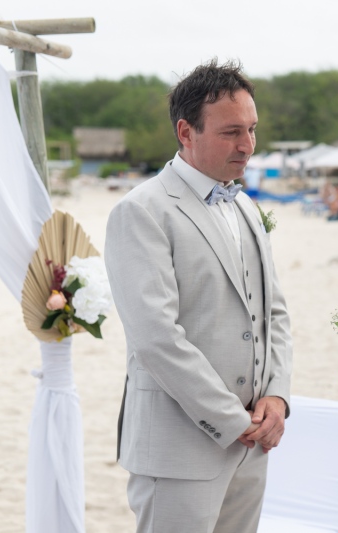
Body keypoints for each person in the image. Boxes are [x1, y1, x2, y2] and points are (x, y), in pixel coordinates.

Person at [105, 59, 293, 533]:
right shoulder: (141, 211)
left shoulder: (246, 205)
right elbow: (156, 338)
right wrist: (233, 420)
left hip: (252, 444)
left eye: (251, 129)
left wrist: (277, 395)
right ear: (186, 132)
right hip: (179, 448)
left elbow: (273, 312)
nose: (248, 145)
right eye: (231, 132)